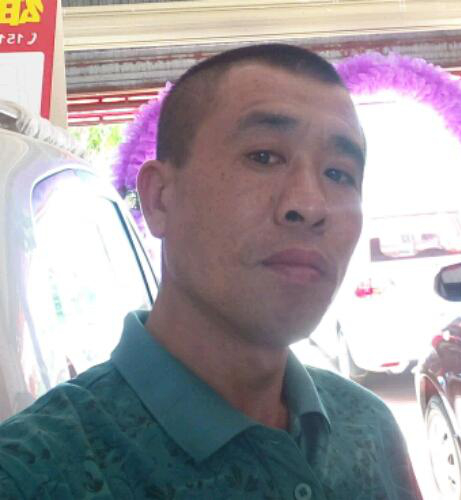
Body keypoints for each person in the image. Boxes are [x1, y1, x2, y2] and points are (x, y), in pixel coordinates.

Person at [0, 44, 422, 499]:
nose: (310, 205)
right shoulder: (30, 473)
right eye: (264, 156)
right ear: (160, 199)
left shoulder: (369, 429)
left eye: (339, 174)